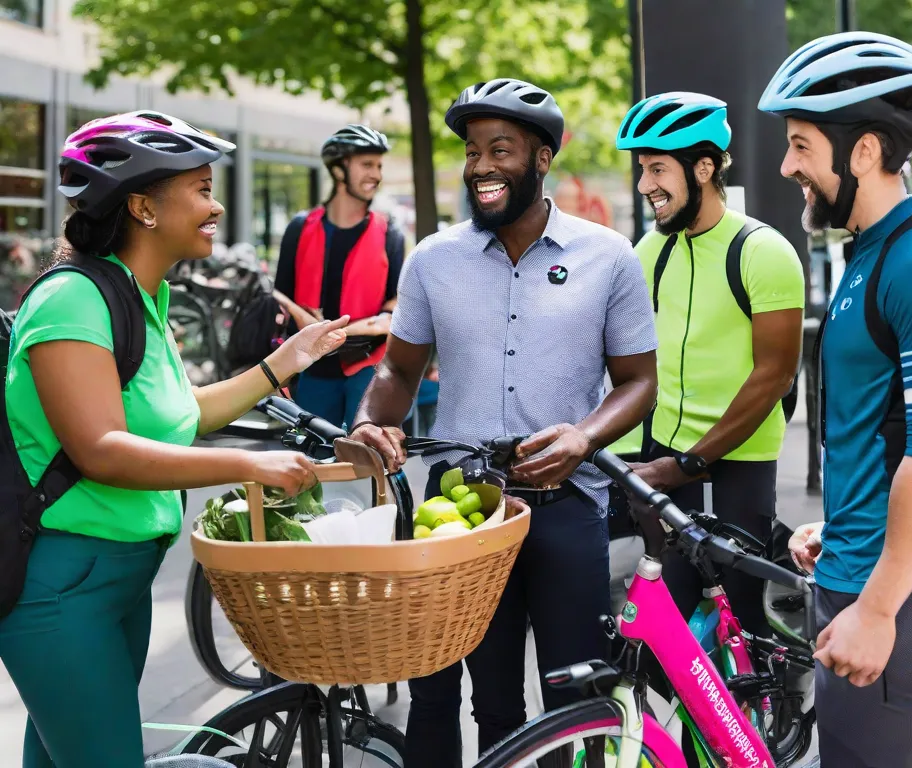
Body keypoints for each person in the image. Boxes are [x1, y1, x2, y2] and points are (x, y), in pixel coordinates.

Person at [0, 111, 349, 768]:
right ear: (142, 206)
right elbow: (100, 448)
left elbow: (179, 414)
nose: (216, 205)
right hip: (62, 589)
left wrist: (286, 362)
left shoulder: (138, 297)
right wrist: (249, 465)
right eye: (200, 187)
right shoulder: (73, 299)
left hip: (117, 585)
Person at [348, 78, 659, 766]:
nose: (481, 166)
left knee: (575, 702)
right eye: (471, 152)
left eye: (501, 150)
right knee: (489, 700)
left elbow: (638, 383)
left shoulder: (608, 257)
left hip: (569, 508)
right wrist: (375, 421)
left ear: (542, 158)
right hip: (462, 513)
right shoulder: (434, 259)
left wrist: (584, 436)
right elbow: (399, 370)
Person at [759, 32, 912, 767]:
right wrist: (843, 525)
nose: (787, 166)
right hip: (878, 565)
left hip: (909, 587)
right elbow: (883, 426)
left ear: (862, 151)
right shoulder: (875, 253)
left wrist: (876, 607)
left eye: (801, 145)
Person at [614, 92, 805, 636]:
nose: (645, 184)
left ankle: (763, 716)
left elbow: (774, 376)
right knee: (665, 630)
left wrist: (691, 463)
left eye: (657, 169)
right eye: (641, 169)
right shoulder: (652, 251)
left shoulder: (763, 251)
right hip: (663, 461)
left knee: (740, 629)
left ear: (703, 168)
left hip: (735, 468)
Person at [274, 124, 406, 429]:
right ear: (338, 170)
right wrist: (304, 320)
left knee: (370, 457)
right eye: (367, 165)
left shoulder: (390, 233)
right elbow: (279, 292)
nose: (376, 174)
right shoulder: (300, 227)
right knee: (309, 459)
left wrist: (340, 331)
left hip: (367, 366)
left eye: (379, 166)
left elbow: (397, 305)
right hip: (312, 366)